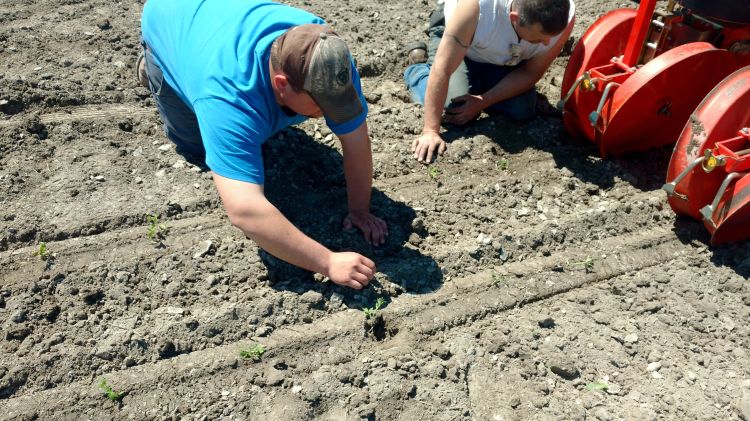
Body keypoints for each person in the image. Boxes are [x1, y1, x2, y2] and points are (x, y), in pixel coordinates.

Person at [139, 0, 388, 290]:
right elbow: (244, 210)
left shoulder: (327, 57)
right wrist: (328, 262)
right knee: (196, 147)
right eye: (320, 103)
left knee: (252, 133)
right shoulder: (225, 97)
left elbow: (356, 140)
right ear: (282, 84)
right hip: (168, 18)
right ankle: (152, 66)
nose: (329, 111)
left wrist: (359, 209)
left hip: (221, 22)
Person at [404, 0, 575, 163]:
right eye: (538, 39)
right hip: (461, 42)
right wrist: (430, 131)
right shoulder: (477, 8)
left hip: (504, 56)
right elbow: (442, 69)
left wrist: (482, 101)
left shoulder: (563, 13)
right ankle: (418, 71)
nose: (546, 43)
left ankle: (478, 83)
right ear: (515, 19)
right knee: (453, 107)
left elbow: (530, 72)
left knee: (522, 109)